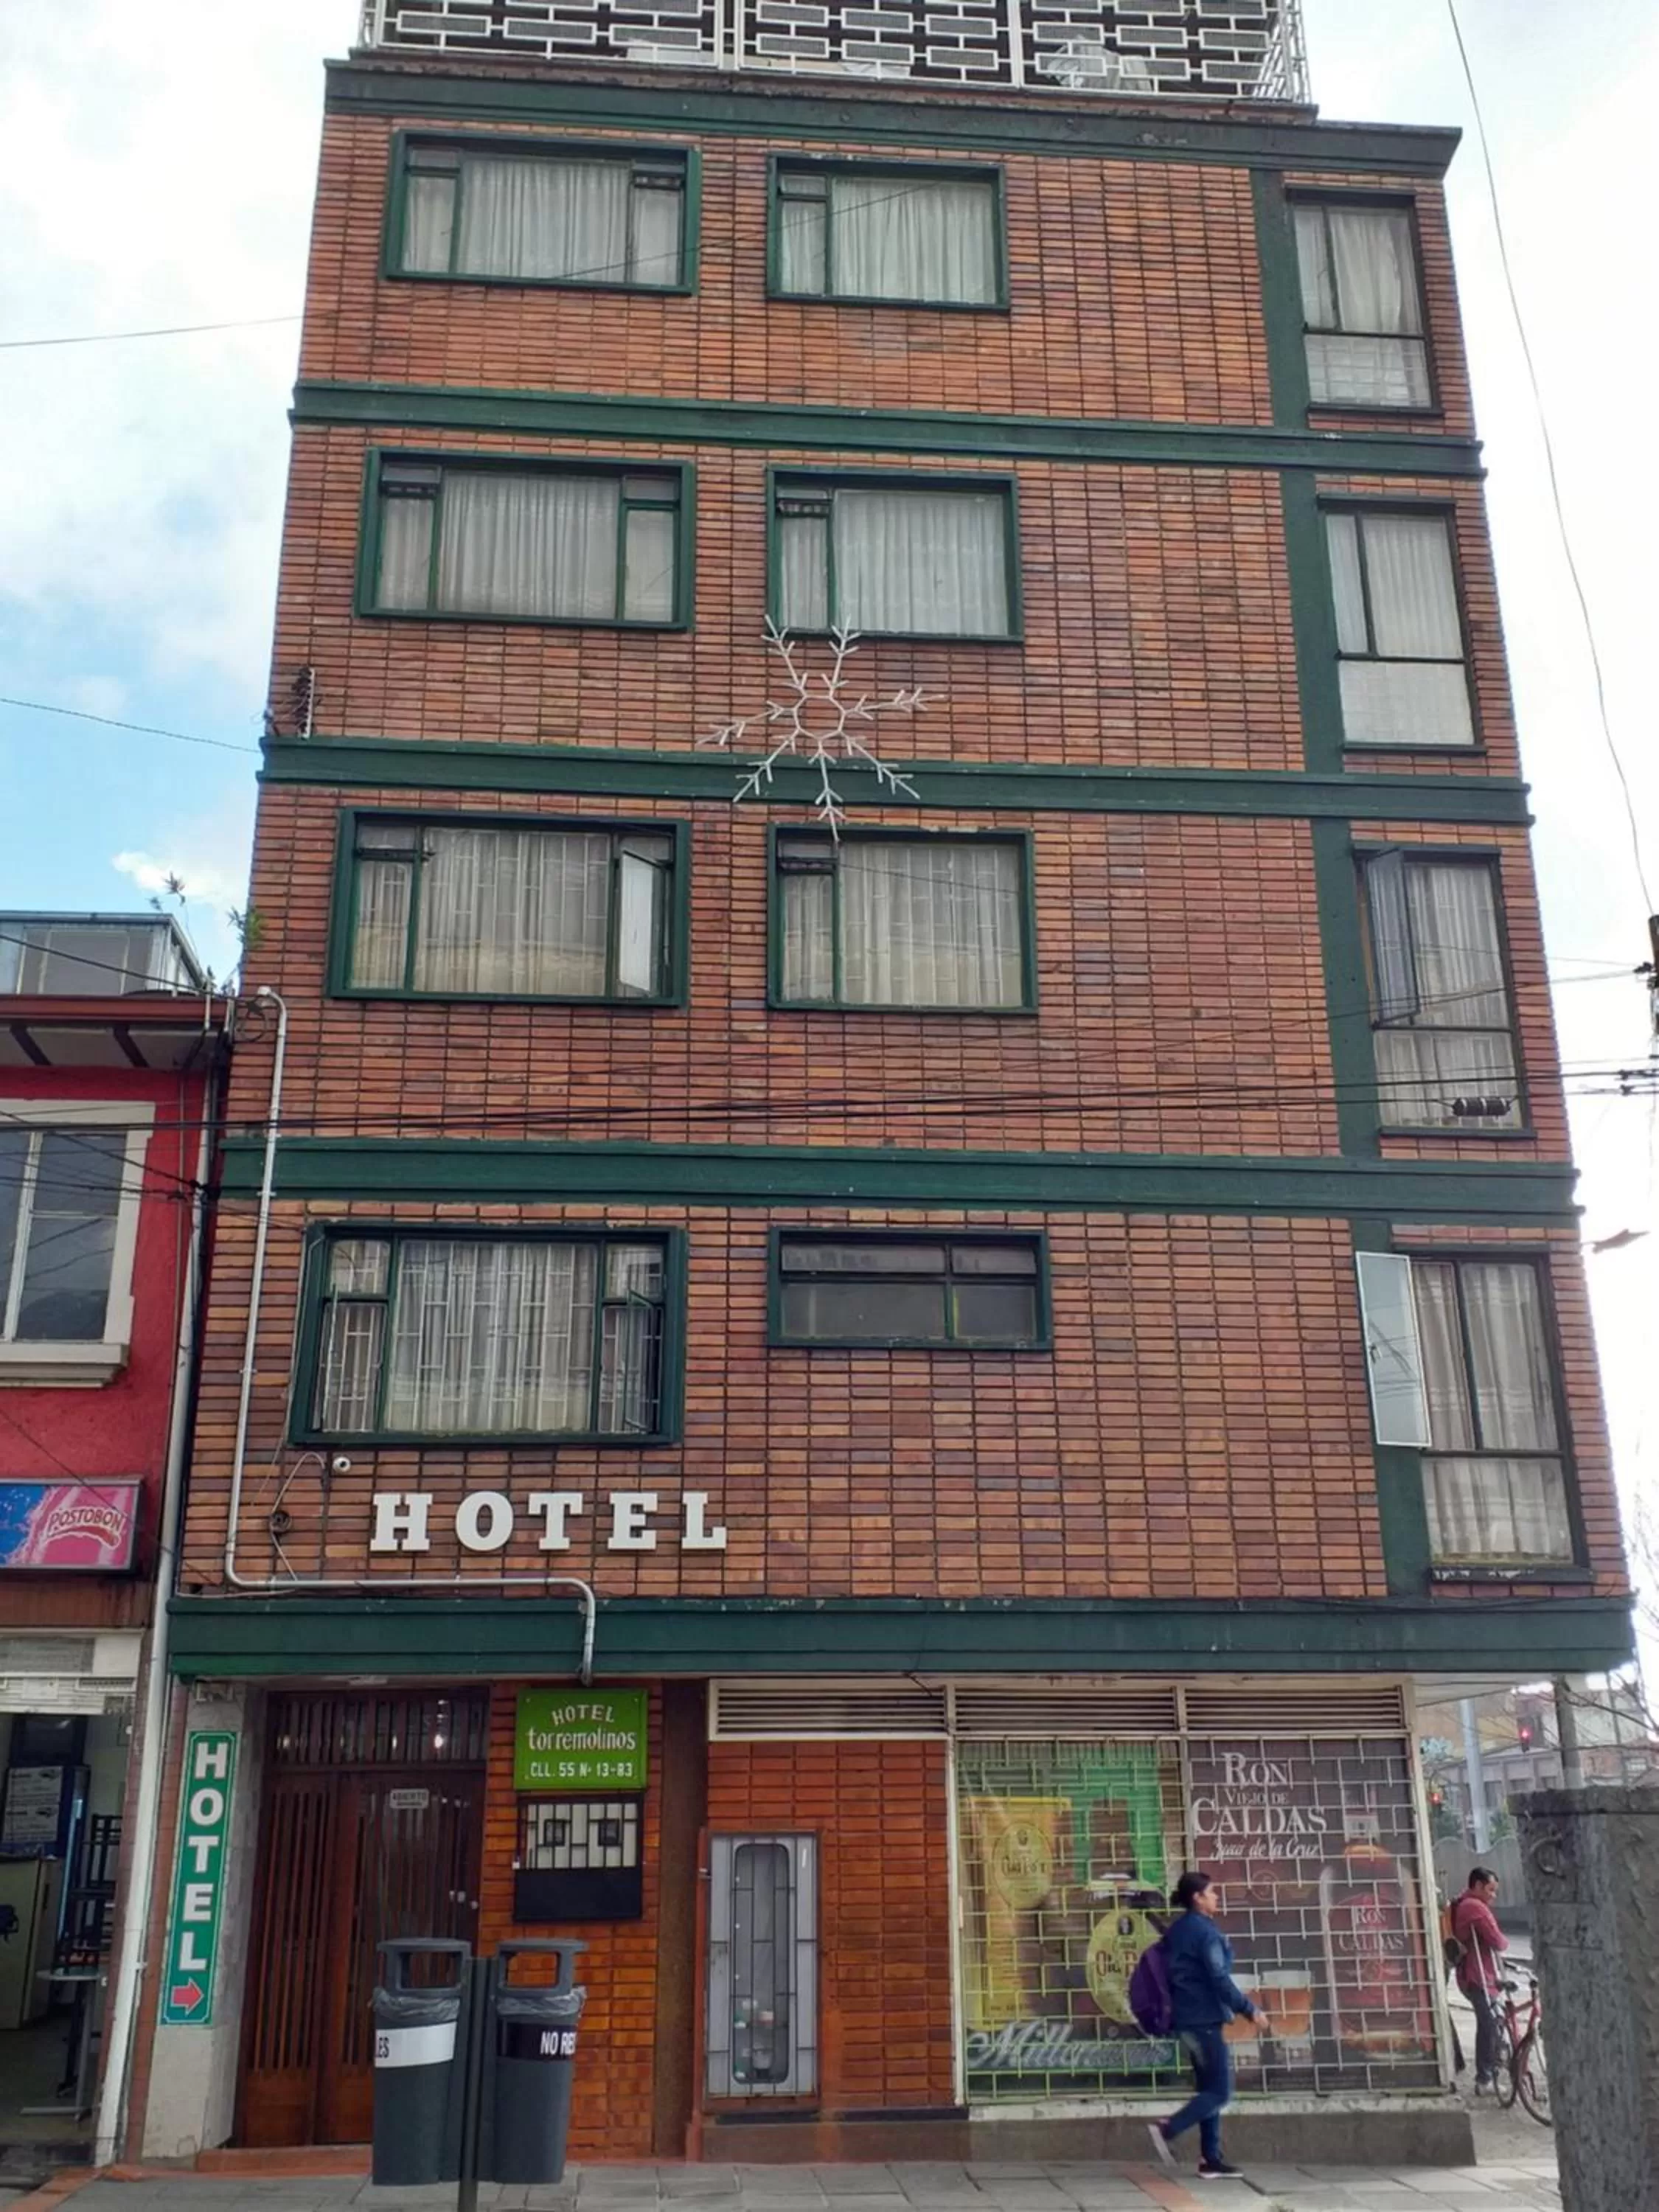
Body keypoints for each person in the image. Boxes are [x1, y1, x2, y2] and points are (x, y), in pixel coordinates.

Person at [1146, 1870, 1266, 2183]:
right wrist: (1249, 2009)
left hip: (1186, 2019)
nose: (1216, 1897)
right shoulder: (1205, 1933)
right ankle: (1168, 2128)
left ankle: (1210, 2159)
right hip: (1203, 2022)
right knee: (1220, 2091)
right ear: (1197, 1898)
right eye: (1212, 1892)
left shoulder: (1179, 1930)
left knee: (1208, 2089)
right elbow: (1218, 1978)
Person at [1450, 1866, 1509, 2091]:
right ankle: (1485, 2078)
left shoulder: (1463, 1903)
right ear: (1477, 1886)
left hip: (1475, 1975)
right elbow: (1498, 1941)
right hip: (1478, 1976)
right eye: (1491, 1890)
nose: (1493, 1896)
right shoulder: (1475, 1908)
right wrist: (1504, 1942)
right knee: (1490, 2025)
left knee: (1490, 2023)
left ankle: (1487, 2074)